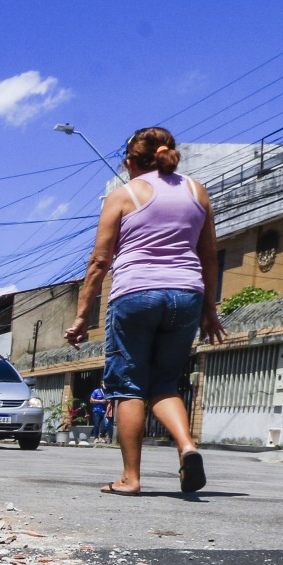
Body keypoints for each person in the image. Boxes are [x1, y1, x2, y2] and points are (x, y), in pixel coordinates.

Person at [65, 126, 225, 494]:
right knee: (165, 384)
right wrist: (210, 310)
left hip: (135, 294)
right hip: (186, 295)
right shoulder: (196, 191)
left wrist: (80, 318)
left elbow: (99, 262)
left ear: (130, 162)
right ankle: (187, 447)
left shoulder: (122, 195)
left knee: (129, 387)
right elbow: (209, 256)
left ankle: (131, 478)